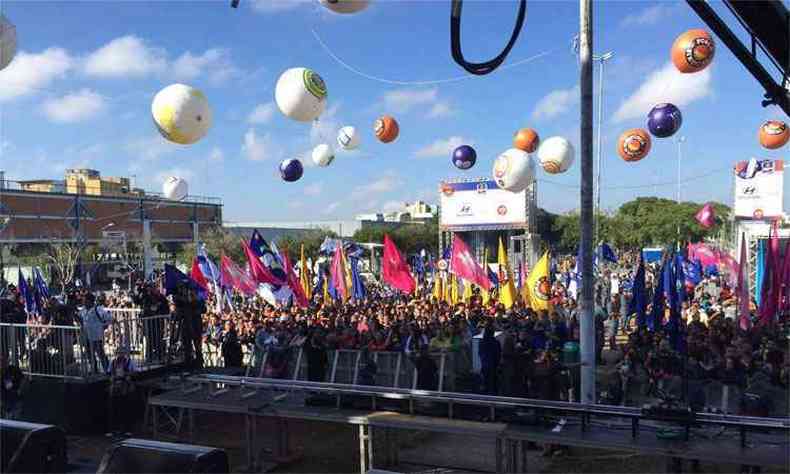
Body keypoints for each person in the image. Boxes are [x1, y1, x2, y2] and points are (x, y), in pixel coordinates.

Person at [107, 347, 137, 437]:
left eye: (121, 352)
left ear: (124, 353)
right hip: (115, 386)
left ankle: (127, 430)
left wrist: (128, 375)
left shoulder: (129, 362)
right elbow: (109, 373)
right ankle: (113, 429)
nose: (120, 354)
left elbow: (135, 372)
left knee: (126, 408)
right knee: (113, 408)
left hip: (125, 387)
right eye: (118, 352)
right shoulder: (112, 362)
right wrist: (111, 378)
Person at [80, 293, 111, 374]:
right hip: (87, 335)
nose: (83, 302)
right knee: (90, 354)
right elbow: (81, 319)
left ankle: (107, 369)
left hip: (96, 336)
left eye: (85, 300)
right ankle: (94, 369)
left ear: (90, 301)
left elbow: (108, 318)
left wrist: (104, 326)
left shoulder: (98, 309)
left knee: (100, 353)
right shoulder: (83, 310)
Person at [1, 354, 25, 419]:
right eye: (0, 361)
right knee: (8, 418)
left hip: (16, 398)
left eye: (3, 361)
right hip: (5, 400)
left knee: (17, 417)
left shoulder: (14, 369)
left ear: (7, 361)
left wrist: (20, 389)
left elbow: (23, 379)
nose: (2, 363)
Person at [479, 326, 501, 395]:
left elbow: (480, 353)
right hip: (493, 365)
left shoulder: (482, 342)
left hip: (485, 364)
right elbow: (498, 354)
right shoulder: (496, 342)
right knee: (493, 383)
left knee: (485, 382)